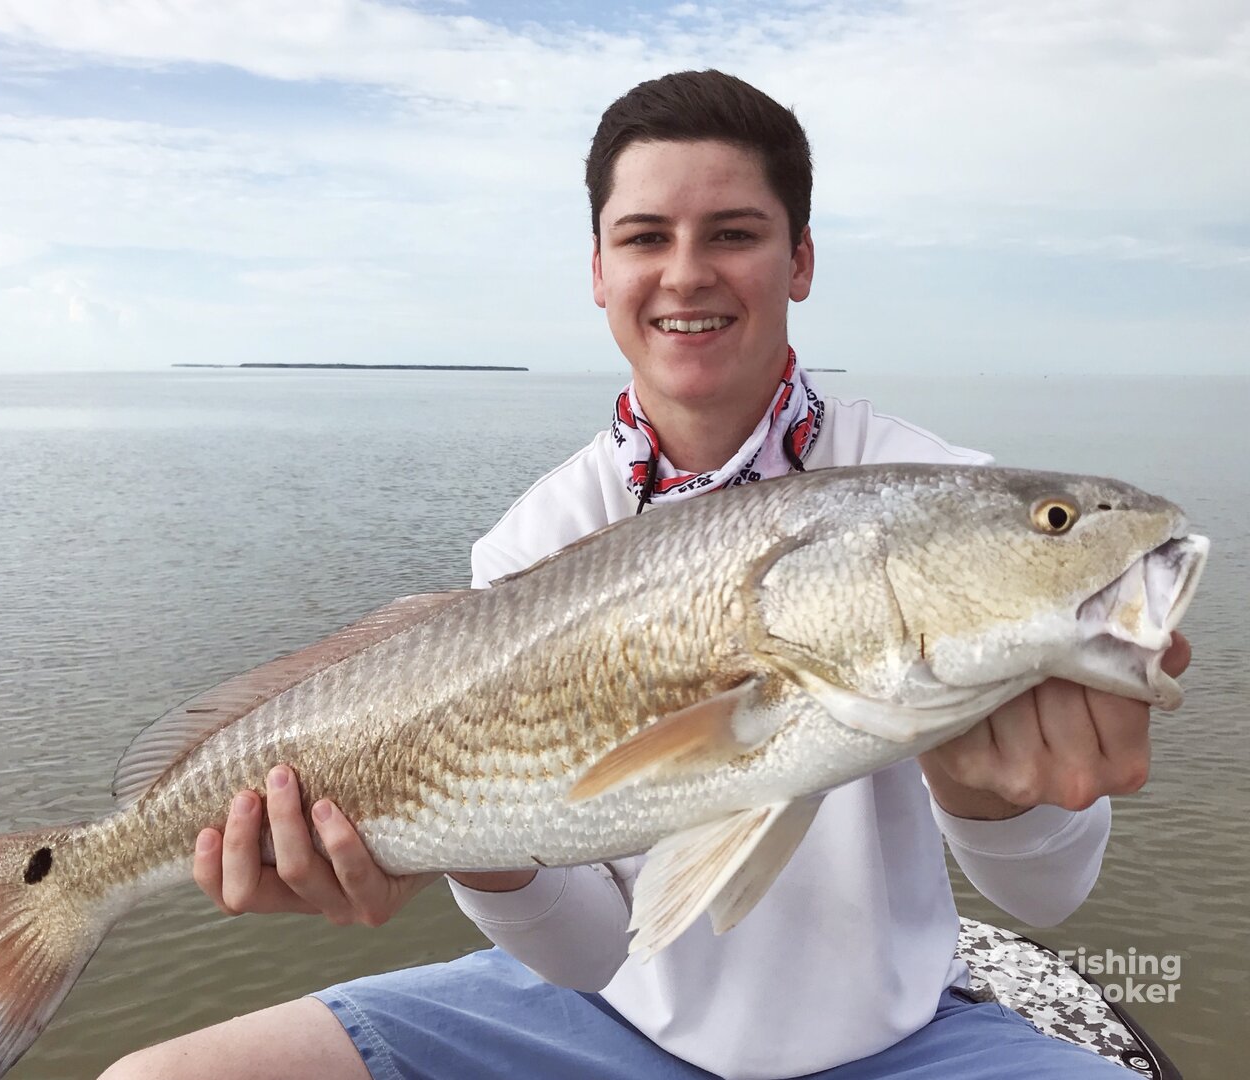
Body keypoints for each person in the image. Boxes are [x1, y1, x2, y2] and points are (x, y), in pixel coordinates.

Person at [101, 70, 1191, 1080]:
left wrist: (979, 783)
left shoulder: (935, 486)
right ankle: (64, 891)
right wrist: (457, 844)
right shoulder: (535, 537)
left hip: (899, 1040)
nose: (685, 272)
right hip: (595, 1022)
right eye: (644, 237)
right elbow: (585, 956)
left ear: (800, 260)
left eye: (734, 233)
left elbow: (1047, 893)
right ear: (598, 271)